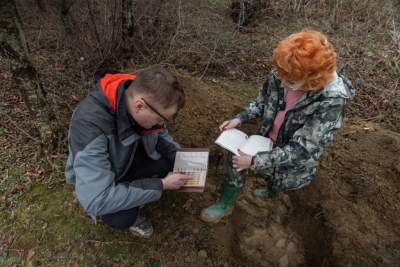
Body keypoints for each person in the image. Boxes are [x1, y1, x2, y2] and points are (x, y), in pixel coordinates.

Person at [201, 29, 355, 223]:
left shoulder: (330, 101)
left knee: (276, 179)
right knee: (236, 158)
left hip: (291, 157)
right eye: (280, 76)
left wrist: (256, 161)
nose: (281, 84)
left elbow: (303, 149)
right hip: (265, 140)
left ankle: (272, 190)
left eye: (289, 82)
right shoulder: (285, 71)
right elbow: (262, 102)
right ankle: (226, 204)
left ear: (312, 79)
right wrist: (239, 119)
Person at [65, 68, 193, 238]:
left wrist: (181, 156)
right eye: (161, 118)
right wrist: (161, 185)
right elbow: (96, 199)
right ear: (140, 105)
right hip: (108, 176)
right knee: (121, 218)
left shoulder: (142, 95)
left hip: (130, 157)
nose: (162, 123)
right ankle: (134, 199)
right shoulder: (89, 126)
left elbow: (160, 133)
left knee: (176, 161)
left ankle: (136, 187)